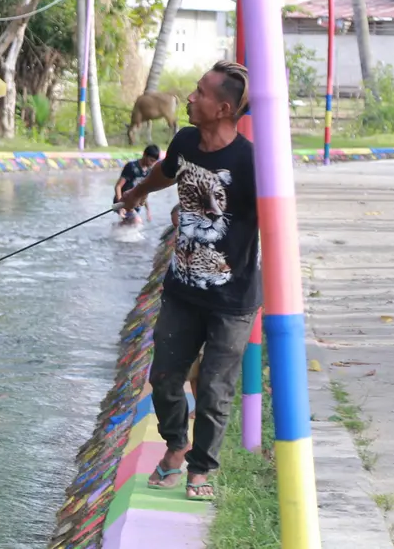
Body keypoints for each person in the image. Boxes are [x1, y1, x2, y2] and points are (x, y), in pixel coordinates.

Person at [119, 60, 258, 501]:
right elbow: (167, 170)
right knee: (164, 377)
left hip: (232, 297)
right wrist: (138, 192)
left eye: (199, 92)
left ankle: (201, 469)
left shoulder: (249, 161)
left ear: (223, 108)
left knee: (215, 388)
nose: (190, 98)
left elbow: (275, 217)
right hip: (182, 290)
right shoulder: (184, 141)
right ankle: (176, 445)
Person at [114, 145, 160, 225]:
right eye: (151, 160)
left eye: (154, 161)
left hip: (135, 203)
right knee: (137, 222)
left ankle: (115, 230)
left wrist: (148, 211)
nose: (152, 163)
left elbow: (144, 192)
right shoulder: (131, 167)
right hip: (122, 201)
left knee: (127, 225)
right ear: (144, 155)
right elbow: (118, 186)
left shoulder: (149, 171)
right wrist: (120, 205)